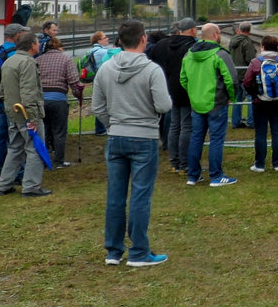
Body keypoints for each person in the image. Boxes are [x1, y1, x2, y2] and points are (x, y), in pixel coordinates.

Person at [93, 19, 172, 267]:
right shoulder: (152, 70)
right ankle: (139, 252)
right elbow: (164, 105)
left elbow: (98, 106)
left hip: (116, 137)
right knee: (140, 195)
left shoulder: (106, 69)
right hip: (144, 137)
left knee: (115, 196)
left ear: (119, 41)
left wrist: (112, 124)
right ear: (143, 39)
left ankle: (113, 251)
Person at [180, 23, 241, 188]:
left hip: (196, 103)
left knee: (196, 138)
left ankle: (193, 175)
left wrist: (194, 94)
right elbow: (232, 79)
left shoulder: (188, 54)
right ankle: (216, 176)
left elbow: (183, 79)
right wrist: (232, 98)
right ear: (215, 35)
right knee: (216, 139)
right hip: (217, 103)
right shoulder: (220, 54)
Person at [0, 31, 50, 197]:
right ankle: (31, 187)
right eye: (37, 42)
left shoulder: (8, 61)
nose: (39, 45)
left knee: (14, 148)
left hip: (12, 112)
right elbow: (29, 92)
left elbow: (2, 91)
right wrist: (32, 118)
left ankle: (4, 184)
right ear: (32, 45)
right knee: (34, 149)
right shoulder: (28, 63)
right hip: (27, 114)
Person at [148, 17, 200, 175]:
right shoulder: (192, 47)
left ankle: (174, 162)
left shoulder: (162, 44)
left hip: (168, 89)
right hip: (186, 90)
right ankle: (185, 162)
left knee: (174, 126)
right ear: (191, 30)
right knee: (186, 126)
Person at [242, 35, 278, 173]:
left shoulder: (255, 62)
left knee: (260, 133)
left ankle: (260, 164)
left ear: (263, 47)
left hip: (259, 102)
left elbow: (247, 82)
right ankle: (277, 163)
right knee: (277, 131)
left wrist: (255, 95)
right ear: (276, 47)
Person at [0, 22, 27, 185]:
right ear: (16, 36)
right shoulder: (15, 54)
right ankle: (18, 173)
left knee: (0, 137)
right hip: (13, 102)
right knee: (16, 138)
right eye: (23, 34)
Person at [37, 36, 82, 168]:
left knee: (44, 130)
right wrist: (78, 96)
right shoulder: (66, 59)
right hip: (58, 100)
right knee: (59, 132)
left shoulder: (38, 60)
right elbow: (74, 81)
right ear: (59, 47)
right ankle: (59, 161)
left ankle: (44, 160)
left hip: (41, 100)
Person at [228, 22, 258, 129]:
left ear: (240, 29)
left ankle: (235, 122)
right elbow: (251, 59)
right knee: (250, 97)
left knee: (237, 98)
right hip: (246, 74)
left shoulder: (233, 41)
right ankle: (251, 122)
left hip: (235, 73)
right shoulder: (247, 42)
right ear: (249, 31)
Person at [85, 31, 114, 134]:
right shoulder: (102, 52)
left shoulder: (93, 50)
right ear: (99, 40)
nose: (107, 39)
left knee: (100, 103)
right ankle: (102, 129)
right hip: (103, 80)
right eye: (105, 37)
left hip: (96, 80)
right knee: (103, 104)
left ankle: (100, 129)